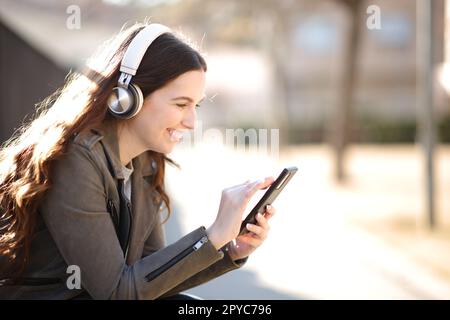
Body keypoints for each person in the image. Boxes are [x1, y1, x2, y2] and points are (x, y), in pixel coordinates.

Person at [0, 22, 276, 300]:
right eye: (181, 104)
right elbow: (119, 293)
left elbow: (151, 281)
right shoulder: (74, 160)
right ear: (127, 97)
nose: (192, 122)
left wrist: (229, 251)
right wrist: (213, 235)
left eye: (196, 105)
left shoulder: (144, 162)